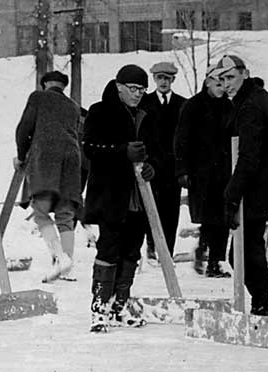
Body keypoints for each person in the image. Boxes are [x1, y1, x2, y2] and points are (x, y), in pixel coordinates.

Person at [83, 64, 159, 332]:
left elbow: (156, 151)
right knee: (109, 248)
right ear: (119, 87)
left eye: (142, 89)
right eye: (133, 89)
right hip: (111, 194)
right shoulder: (99, 111)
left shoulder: (146, 115)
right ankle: (100, 307)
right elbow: (90, 148)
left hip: (138, 195)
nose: (138, 94)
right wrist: (121, 151)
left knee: (132, 250)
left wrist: (152, 167)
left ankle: (119, 304)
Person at [215, 55, 268, 316]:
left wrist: (232, 194)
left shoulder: (250, 106)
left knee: (244, 252)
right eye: (222, 79)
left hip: (256, 189)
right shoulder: (259, 97)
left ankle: (261, 305)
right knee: (248, 248)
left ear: (244, 73)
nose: (227, 84)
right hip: (264, 186)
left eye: (231, 77)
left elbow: (248, 156)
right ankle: (261, 302)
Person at [15, 71, 81, 282]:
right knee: (65, 213)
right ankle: (67, 267)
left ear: (45, 84)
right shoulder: (73, 106)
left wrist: (21, 155)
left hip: (45, 157)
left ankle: (60, 257)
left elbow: (24, 128)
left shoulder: (38, 97)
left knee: (41, 210)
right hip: (72, 159)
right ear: (63, 87)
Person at [174, 64, 232, 278]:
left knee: (224, 217)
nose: (222, 87)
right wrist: (182, 170)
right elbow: (181, 140)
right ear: (207, 82)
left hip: (225, 172)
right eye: (218, 83)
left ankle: (216, 261)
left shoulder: (229, 105)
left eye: (225, 83)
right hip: (201, 173)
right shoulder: (193, 106)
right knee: (208, 217)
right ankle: (204, 251)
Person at [142, 62, 186, 262]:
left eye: (167, 78)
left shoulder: (182, 104)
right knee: (152, 207)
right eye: (160, 78)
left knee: (171, 210)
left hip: (173, 168)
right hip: (151, 167)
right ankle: (152, 247)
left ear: (173, 80)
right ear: (154, 80)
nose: (163, 82)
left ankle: (167, 251)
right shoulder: (144, 102)